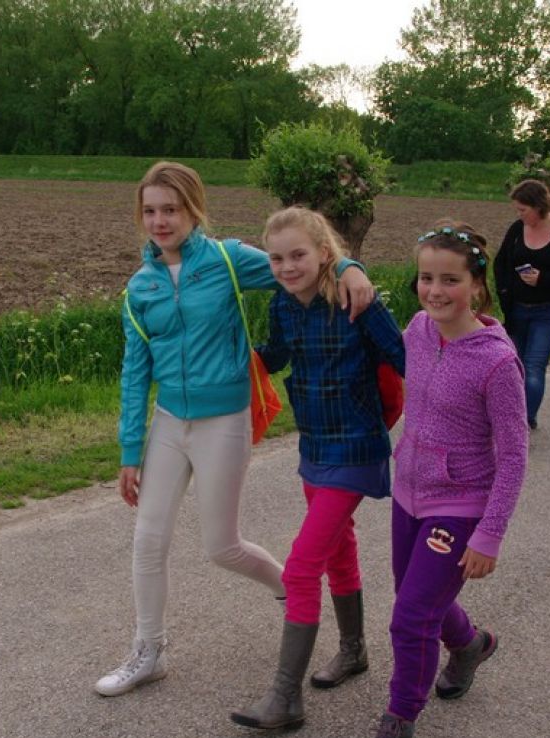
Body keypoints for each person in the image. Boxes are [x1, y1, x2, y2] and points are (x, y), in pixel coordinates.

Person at [96, 162, 378, 698]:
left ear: (194, 210)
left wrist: (350, 267)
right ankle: (148, 650)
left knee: (221, 547)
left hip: (224, 420)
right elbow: (135, 374)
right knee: (148, 539)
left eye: (171, 209)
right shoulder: (140, 288)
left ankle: (291, 593)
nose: (160, 221)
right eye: (150, 211)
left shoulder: (225, 260)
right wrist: (130, 451)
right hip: (168, 423)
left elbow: (299, 264)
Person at [356, 222, 528, 738]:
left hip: (460, 504)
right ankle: (470, 644)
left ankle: (399, 723)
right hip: (409, 494)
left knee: (410, 618)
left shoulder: (497, 362)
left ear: (477, 284)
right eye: (426, 278)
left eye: (450, 280)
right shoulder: (418, 330)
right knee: (419, 597)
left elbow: (515, 456)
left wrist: (490, 534)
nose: (435, 290)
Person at [229, 207, 405, 730]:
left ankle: (285, 698)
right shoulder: (283, 305)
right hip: (314, 447)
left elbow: (405, 358)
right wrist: (228, 355)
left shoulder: (356, 299)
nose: (286, 267)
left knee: (302, 566)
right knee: (338, 549)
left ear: (325, 253)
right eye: (277, 258)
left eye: (298, 255)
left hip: (356, 447)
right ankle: (353, 650)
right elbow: (276, 356)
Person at [493, 179, 550, 430]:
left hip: (548, 312)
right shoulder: (517, 229)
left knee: (534, 368)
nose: (519, 214)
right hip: (516, 310)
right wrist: (504, 291)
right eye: (517, 209)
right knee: (513, 367)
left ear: (538, 206)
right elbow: (501, 263)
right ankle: (510, 415)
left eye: (523, 209)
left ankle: (524, 421)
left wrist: (543, 279)